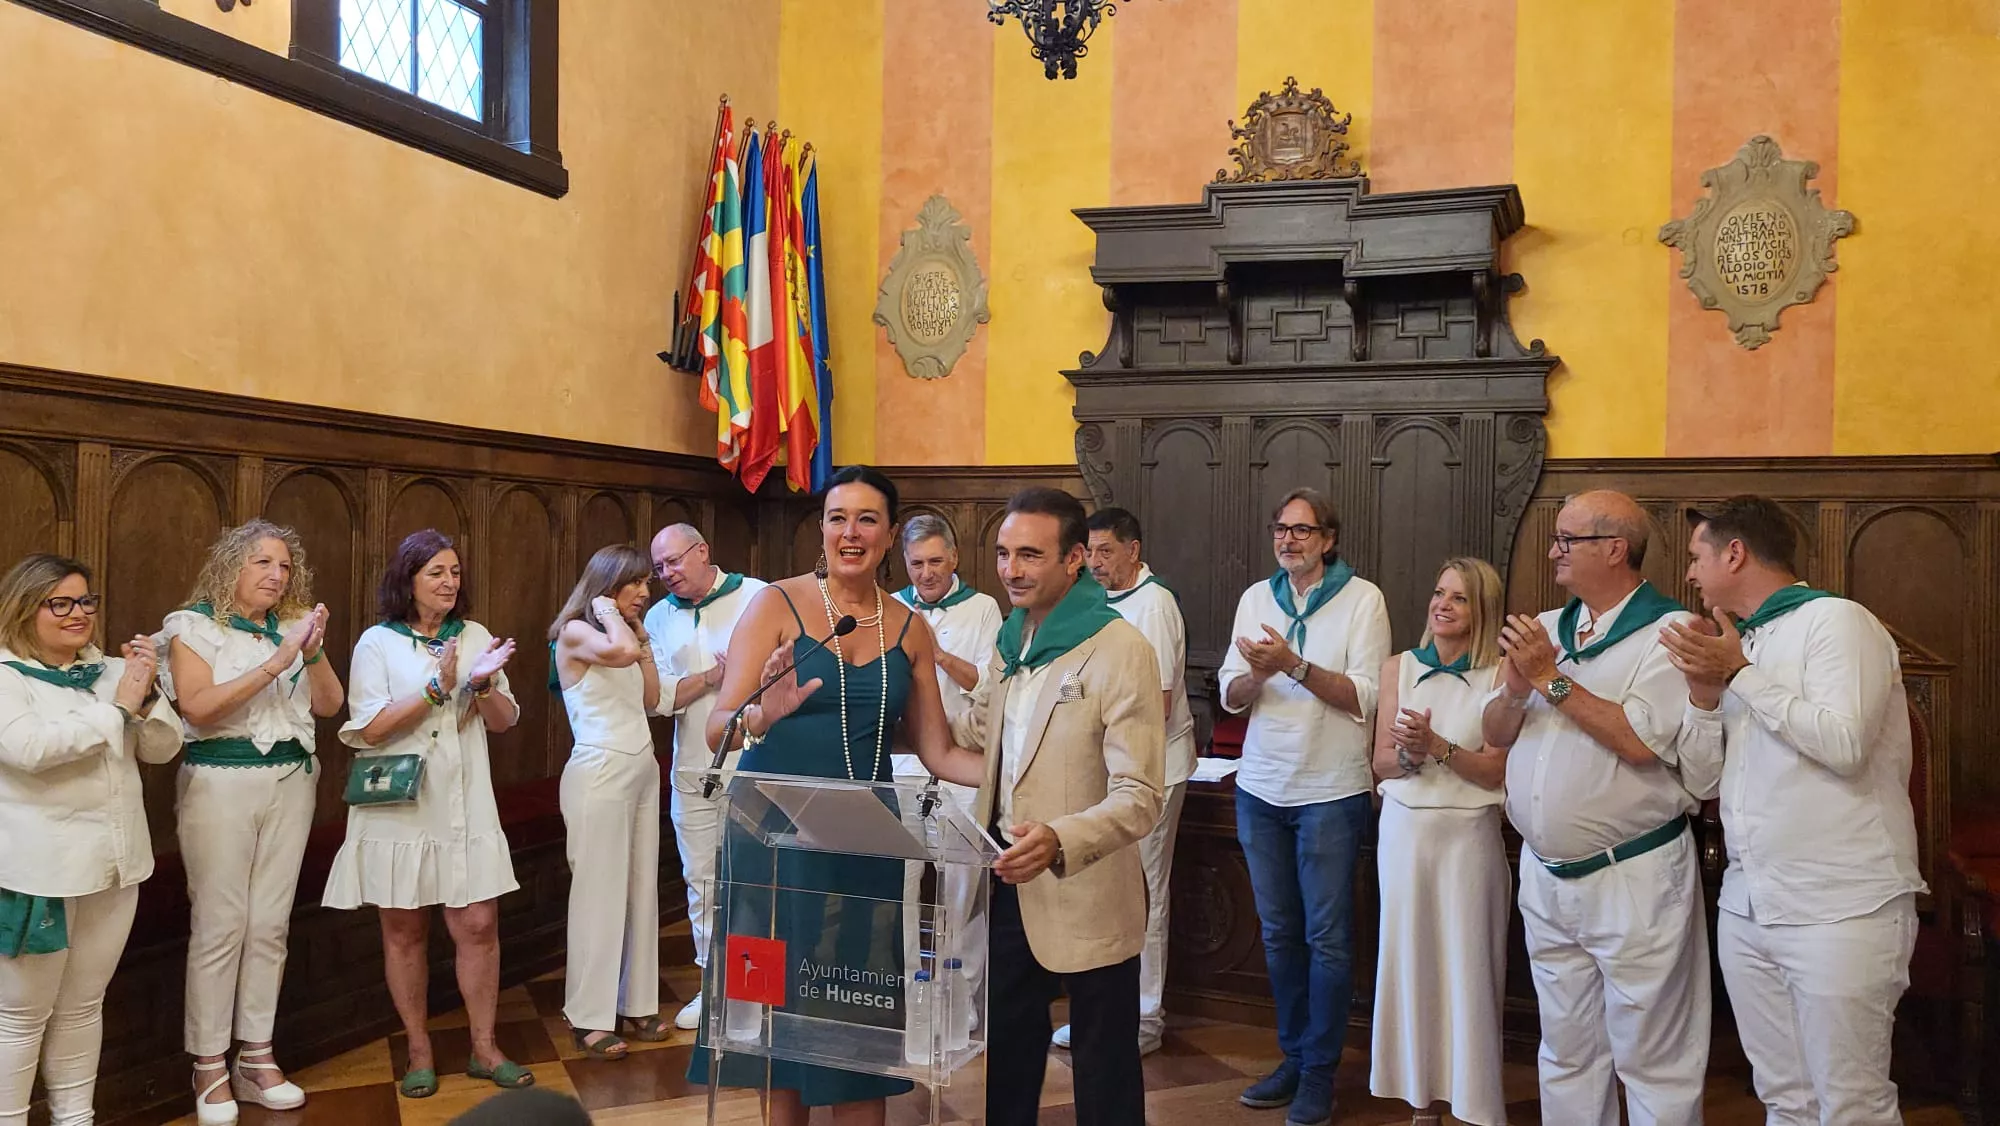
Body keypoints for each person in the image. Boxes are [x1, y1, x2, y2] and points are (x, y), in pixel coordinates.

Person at [688, 465, 986, 1126]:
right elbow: (719, 727)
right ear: (821, 529)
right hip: (773, 843)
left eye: (866, 519)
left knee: (857, 1005)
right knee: (776, 1017)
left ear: (888, 536)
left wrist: (1015, 774)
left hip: (864, 841)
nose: (849, 533)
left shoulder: (909, 629)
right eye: (836, 518)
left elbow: (937, 752)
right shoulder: (775, 605)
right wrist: (764, 712)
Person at [1662, 495, 1925, 1124]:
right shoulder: (1736, 645)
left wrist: (1741, 675)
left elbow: (1844, 744)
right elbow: (1702, 780)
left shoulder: (1838, 622)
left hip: (1843, 904)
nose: (1691, 575)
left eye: (1698, 557)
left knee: (1851, 1104)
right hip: (1750, 904)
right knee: (1785, 1098)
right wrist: (1703, 698)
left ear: (1735, 552)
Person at [1479, 490, 1722, 1126]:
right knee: (1565, 1050)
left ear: (1614, 549)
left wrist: (1548, 681)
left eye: (1567, 539)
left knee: (1653, 1059)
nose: (1553, 550)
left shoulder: (1674, 632)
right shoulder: (1549, 628)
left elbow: (1641, 743)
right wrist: (1510, 688)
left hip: (1632, 874)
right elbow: (1497, 734)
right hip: (1547, 872)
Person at [975, 487, 1165, 1126]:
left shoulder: (1120, 648)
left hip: (1087, 885)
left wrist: (1059, 838)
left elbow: (1140, 796)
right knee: (1008, 1055)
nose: (1011, 570)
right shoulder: (1009, 644)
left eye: (1030, 555)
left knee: (1104, 1065)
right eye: (1003, 554)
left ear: (1076, 559)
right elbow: (985, 744)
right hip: (1008, 881)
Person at [323, 530, 533, 1097]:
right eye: (436, 572)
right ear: (408, 580)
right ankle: (418, 1049)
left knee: (478, 924)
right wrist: (438, 690)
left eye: (455, 572)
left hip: (466, 797)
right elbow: (367, 730)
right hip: (402, 805)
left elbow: (504, 719)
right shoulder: (377, 643)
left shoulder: (475, 635)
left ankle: (485, 1048)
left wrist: (484, 684)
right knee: (404, 928)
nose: (449, 582)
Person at [1216, 487, 1392, 1126]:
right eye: (1280, 530)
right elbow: (1231, 696)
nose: (1287, 540)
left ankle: (1320, 1071)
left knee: (1327, 937)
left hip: (1330, 790)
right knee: (1281, 932)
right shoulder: (1256, 598)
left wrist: (1291, 662)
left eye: (1301, 530)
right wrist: (1260, 673)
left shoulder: (1362, 598)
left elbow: (1365, 698)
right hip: (1260, 787)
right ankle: (1292, 1056)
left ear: (1328, 540)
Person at [162, 520, 344, 1125]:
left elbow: (328, 705)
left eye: (286, 566)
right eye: (263, 562)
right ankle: (209, 1062)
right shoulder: (192, 627)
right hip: (220, 783)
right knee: (220, 924)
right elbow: (199, 706)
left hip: (292, 781)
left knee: (269, 923)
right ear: (230, 568)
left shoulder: (288, 631)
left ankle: (257, 1054)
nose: (277, 574)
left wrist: (310, 650)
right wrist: (277, 662)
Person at [0, 554, 180, 1126]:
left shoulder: (108, 671)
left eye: (85, 601)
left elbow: (161, 748)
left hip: (115, 865)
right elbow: (31, 750)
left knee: (83, 1005)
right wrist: (119, 706)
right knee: (21, 1015)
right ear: (26, 609)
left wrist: (146, 696)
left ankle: (76, 1118)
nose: (78, 614)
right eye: (61, 603)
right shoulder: (6, 677)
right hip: (40, 873)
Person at [1368, 558, 1512, 1126]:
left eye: (1458, 598)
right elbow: (1381, 763)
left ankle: (1474, 1101)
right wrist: (1407, 753)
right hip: (1404, 835)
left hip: (1468, 838)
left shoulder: (1502, 676)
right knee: (1410, 963)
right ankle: (1419, 1100)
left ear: (1483, 610)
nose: (1442, 605)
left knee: (1469, 967)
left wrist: (1438, 746)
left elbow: (1497, 772)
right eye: (1437, 593)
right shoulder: (1398, 667)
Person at [1052, 506, 1192, 1058]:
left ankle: (1146, 1018)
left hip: (1150, 774)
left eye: (1106, 551)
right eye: (1089, 551)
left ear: (1134, 550)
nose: (1096, 562)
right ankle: (1103, 1015)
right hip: (1103, 773)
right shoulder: (1093, 603)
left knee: (1145, 895)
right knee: (1107, 895)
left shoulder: (1153, 605)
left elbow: (1152, 707)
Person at [640, 523, 766, 1031]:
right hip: (692, 768)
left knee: (755, 880)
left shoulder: (757, 597)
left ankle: (757, 991)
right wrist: (713, 677)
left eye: (674, 562)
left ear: (703, 551)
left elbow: (779, 672)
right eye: (660, 567)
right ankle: (714, 987)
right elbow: (660, 697)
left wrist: (735, 677)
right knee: (702, 881)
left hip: (755, 763)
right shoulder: (657, 616)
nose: (667, 574)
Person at [892, 512, 1003, 1039]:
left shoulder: (983, 609)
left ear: (954, 558)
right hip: (904, 765)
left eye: (936, 562)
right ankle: (913, 1004)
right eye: (916, 564)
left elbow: (990, 684)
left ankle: (963, 1011)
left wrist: (935, 654)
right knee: (902, 888)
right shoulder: (889, 607)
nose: (926, 573)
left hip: (961, 766)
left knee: (962, 893)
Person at [550, 545, 663, 1061]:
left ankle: (636, 1001)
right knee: (599, 895)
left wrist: (643, 638)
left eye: (646, 583)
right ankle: (588, 1015)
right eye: (634, 583)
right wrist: (612, 617)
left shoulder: (624, 635)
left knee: (641, 889)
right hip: (599, 771)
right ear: (606, 586)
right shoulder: (577, 632)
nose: (644, 592)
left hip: (640, 768)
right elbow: (617, 655)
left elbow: (650, 698)